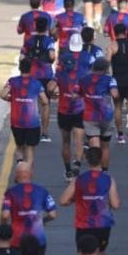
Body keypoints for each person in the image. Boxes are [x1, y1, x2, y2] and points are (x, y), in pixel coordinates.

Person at [59, 144, 120, 249]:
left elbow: (63, 201)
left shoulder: (78, 180)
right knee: (99, 254)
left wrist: (75, 199)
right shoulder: (109, 180)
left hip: (84, 225)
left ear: (86, 160)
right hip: (102, 224)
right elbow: (115, 205)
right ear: (101, 159)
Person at [0, 57, 48, 170]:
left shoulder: (12, 81)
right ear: (31, 69)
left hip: (16, 122)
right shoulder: (37, 83)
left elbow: (3, 94)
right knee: (30, 149)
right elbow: (45, 101)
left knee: (19, 147)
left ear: (19, 68)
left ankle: (19, 167)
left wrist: (11, 99)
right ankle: (27, 173)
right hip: (32, 123)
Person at [1, 162, 57, 252]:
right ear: (31, 174)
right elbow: (53, 214)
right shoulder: (42, 191)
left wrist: (4, 229)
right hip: (38, 239)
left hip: (17, 240)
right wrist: (42, 221)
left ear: (16, 175)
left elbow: (5, 215)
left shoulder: (10, 193)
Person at [78, 57, 119, 169]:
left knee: (94, 146)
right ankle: (104, 173)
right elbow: (115, 94)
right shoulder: (110, 79)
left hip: (90, 116)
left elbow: (75, 95)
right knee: (105, 147)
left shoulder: (84, 79)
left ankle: (95, 171)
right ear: (106, 69)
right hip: (106, 116)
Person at [54, 52, 84, 181]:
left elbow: (50, 87)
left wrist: (55, 92)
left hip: (63, 111)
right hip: (79, 110)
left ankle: (68, 170)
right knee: (79, 142)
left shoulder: (59, 75)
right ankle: (77, 164)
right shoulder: (82, 75)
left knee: (66, 142)